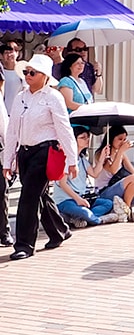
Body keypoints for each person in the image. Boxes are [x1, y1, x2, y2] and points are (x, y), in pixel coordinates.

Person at [3, 54, 77, 260]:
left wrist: (72, 160)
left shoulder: (53, 98)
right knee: (38, 194)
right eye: (26, 72)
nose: (28, 75)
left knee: (28, 197)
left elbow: (64, 129)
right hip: (24, 152)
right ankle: (59, 230)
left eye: (32, 72)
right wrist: (7, 160)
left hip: (45, 151)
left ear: (44, 76)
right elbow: (12, 131)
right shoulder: (21, 97)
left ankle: (24, 245)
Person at [54, 126, 119, 228]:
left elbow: (94, 173)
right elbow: (62, 183)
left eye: (88, 137)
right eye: (83, 137)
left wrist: (102, 157)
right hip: (66, 200)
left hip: (83, 197)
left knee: (107, 203)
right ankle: (98, 220)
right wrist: (78, 199)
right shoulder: (67, 159)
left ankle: (79, 218)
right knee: (84, 212)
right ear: (74, 139)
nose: (87, 139)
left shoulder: (82, 158)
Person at [1, 43, 22, 115]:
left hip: (18, 114)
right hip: (3, 114)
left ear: (17, 53)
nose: (9, 55)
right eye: (6, 53)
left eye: (11, 52)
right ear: (1, 56)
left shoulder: (24, 71)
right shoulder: (1, 73)